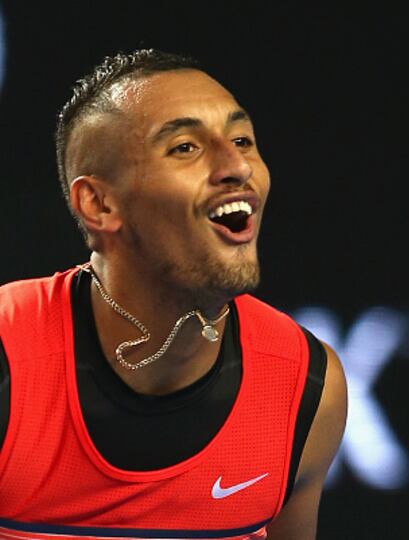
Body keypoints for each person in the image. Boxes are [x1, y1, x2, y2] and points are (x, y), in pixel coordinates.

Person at [0, 49, 347, 539]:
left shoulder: (305, 386)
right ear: (98, 204)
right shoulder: (9, 354)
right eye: (185, 147)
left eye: (242, 140)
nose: (237, 166)